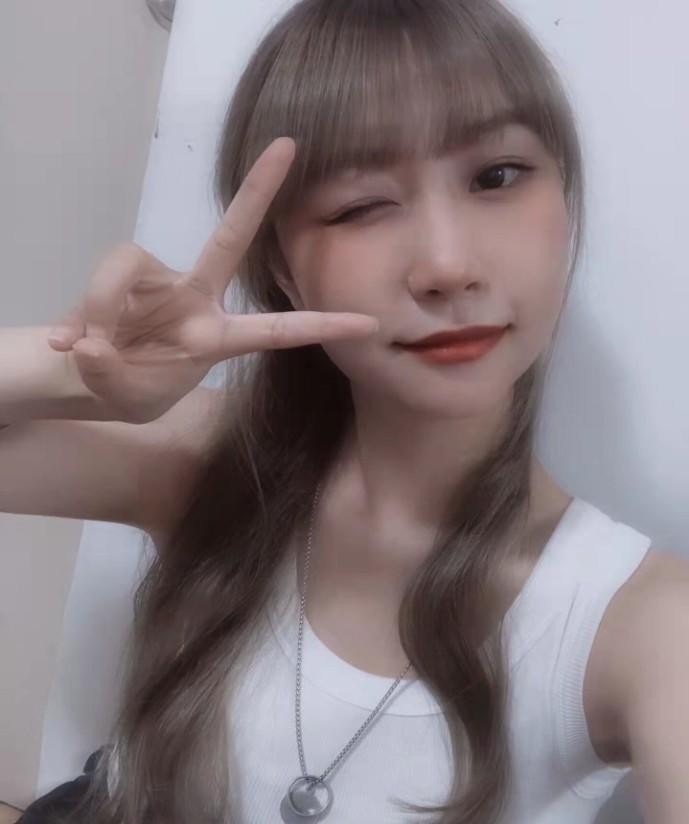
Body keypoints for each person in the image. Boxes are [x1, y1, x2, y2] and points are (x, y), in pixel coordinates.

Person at [4, 0, 685, 822]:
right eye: (360, 205)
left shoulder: (637, 620)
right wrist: (79, 373)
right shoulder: (210, 462)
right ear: (283, 272)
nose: (447, 265)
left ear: (565, 206)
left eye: (497, 176)